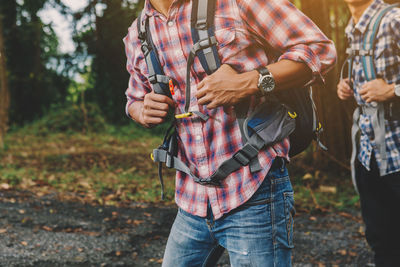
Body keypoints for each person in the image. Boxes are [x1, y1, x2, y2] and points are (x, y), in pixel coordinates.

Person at [124, 0, 336, 266]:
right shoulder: (138, 32)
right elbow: (133, 99)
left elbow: (320, 50)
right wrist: (142, 110)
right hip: (192, 199)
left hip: (254, 189)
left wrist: (249, 82)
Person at [337, 0, 400, 266]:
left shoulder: (394, 19)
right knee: (381, 237)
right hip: (369, 151)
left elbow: (389, 85)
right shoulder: (354, 27)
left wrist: (393, 90)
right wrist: (348, 83)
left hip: (397, 149)